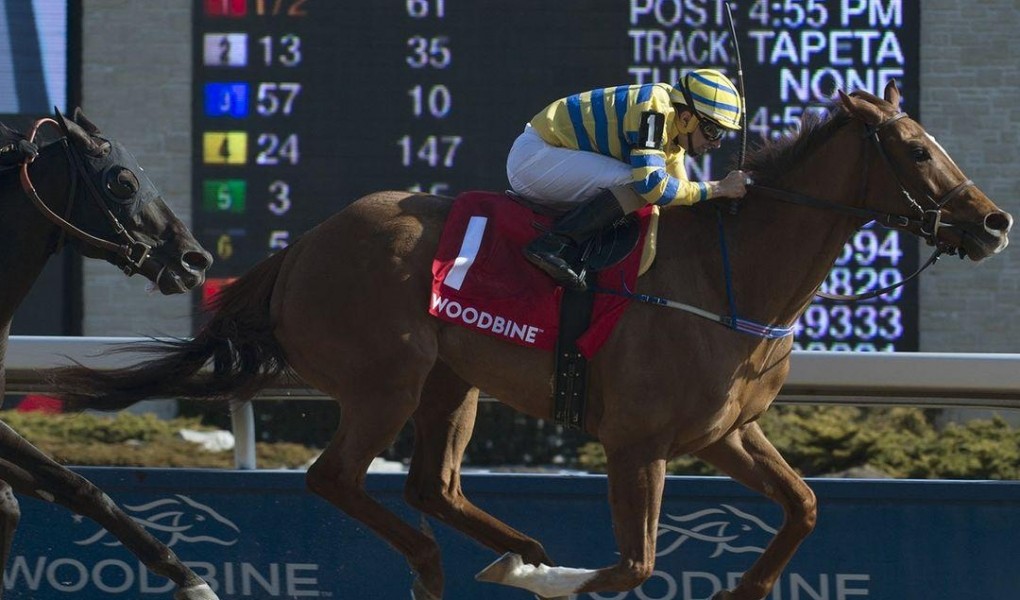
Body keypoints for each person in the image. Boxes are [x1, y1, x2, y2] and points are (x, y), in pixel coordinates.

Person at [507, 69, 750, 290]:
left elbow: (677, 201)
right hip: (535, 159)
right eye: (713, 131)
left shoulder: (673, 136)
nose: (717, 142)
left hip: (550, 157)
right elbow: (653, 188)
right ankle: (552, 244)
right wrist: (719, 188)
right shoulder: (654, 111)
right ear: (687, 119)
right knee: (639, 183)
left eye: (722, 134)